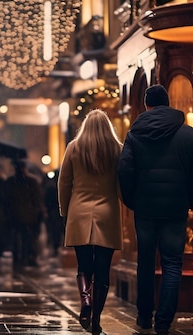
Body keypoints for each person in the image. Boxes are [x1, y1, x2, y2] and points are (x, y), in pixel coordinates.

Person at [118, 85, 193, 335]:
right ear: (167, 103)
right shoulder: (189, 134)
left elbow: (124, 171)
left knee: (145, 262)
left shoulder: (135, 134)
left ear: (146, 105)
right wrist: (187, 199)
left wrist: (132, 200)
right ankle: (164, 321)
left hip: (145, 209)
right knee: (171, 263)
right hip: (174, 209)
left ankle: (145, 316)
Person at [58, 109, 123, 334]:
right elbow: (121, 186)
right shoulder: (117, 150)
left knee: (84, 266)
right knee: (103, 270)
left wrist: (65, 211)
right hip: (107, 213)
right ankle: (96, 319)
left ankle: (86, 301)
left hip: (79, 212)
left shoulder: (74, 148)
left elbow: (64, 183)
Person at [7, 160, 45, 267]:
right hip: (29, 215)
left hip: (15, 215)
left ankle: (18, 258)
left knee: (17, 238)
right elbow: (38, 198)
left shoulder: (11, 181)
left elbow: (6, 199)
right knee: (27, 238)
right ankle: (26, 257)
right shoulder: (31, 181)